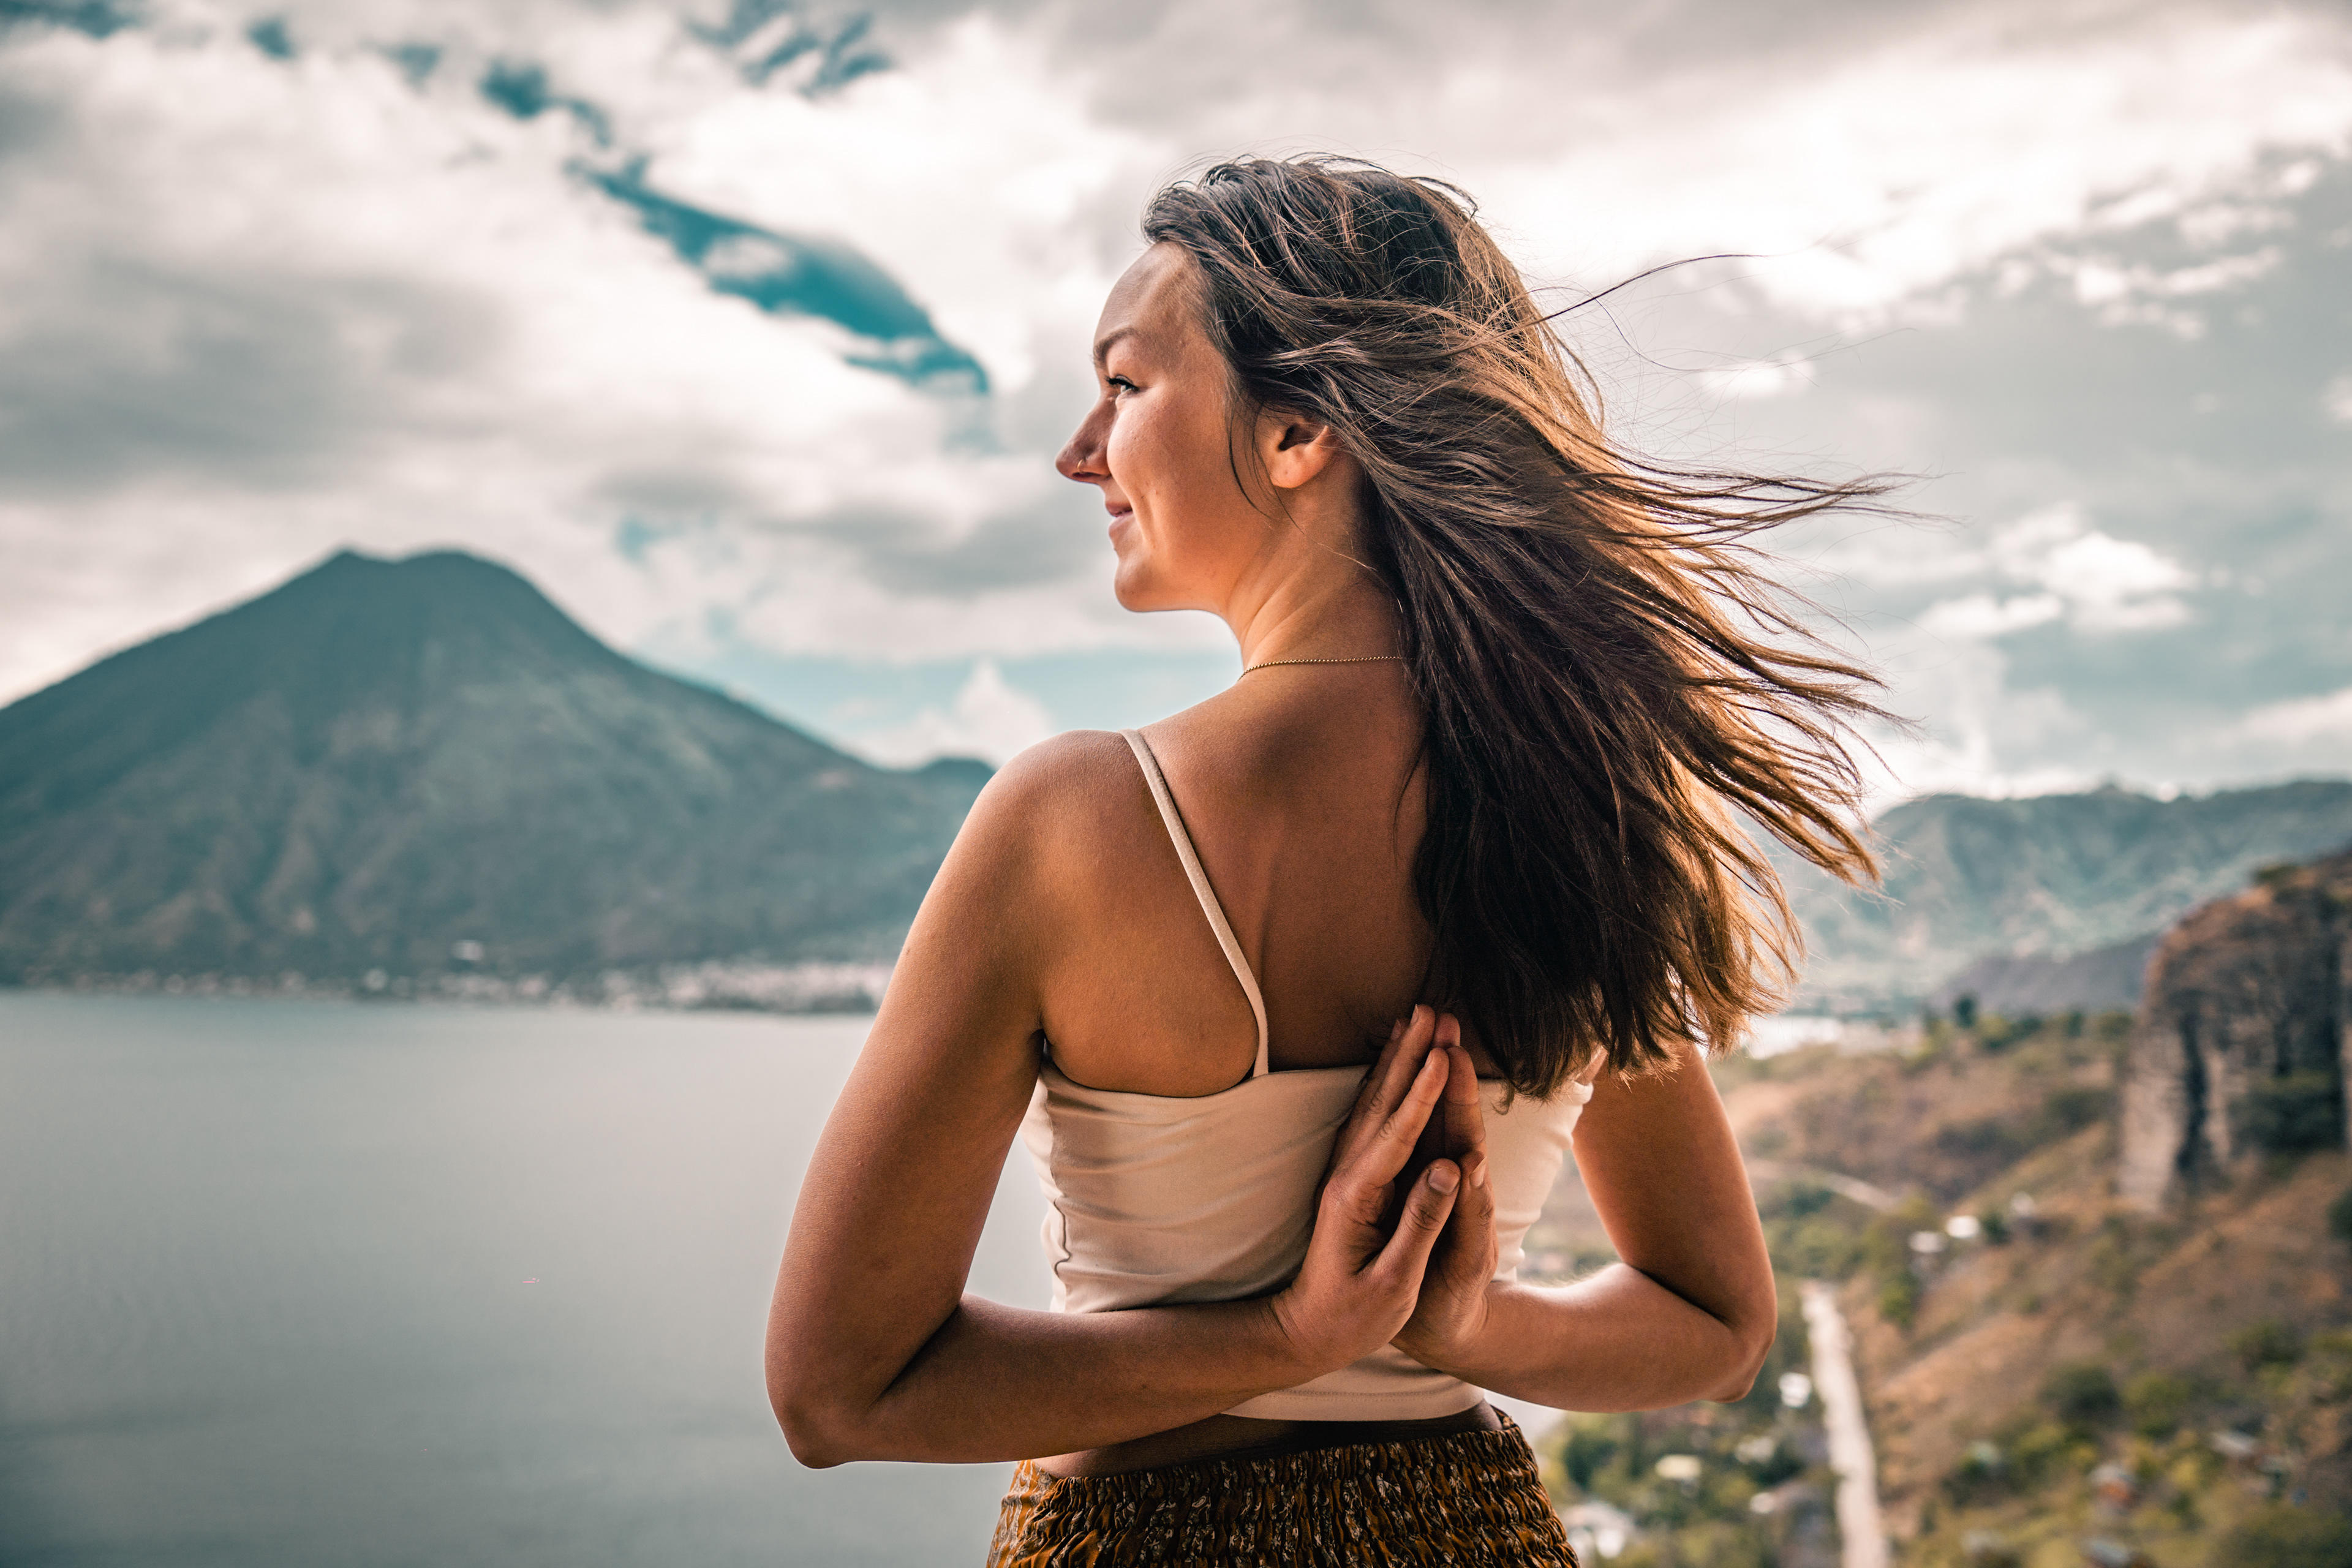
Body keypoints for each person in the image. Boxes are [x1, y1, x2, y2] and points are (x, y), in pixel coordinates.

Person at [766, 156, 1885, 1565]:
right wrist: (1470, 1322)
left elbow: (838, 1384)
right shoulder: (1588, 812)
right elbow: (1719, 1328)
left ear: (1297, 431)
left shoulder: (1074, 819)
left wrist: (1289, 1331)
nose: (1078, 449)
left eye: (1123, 385)